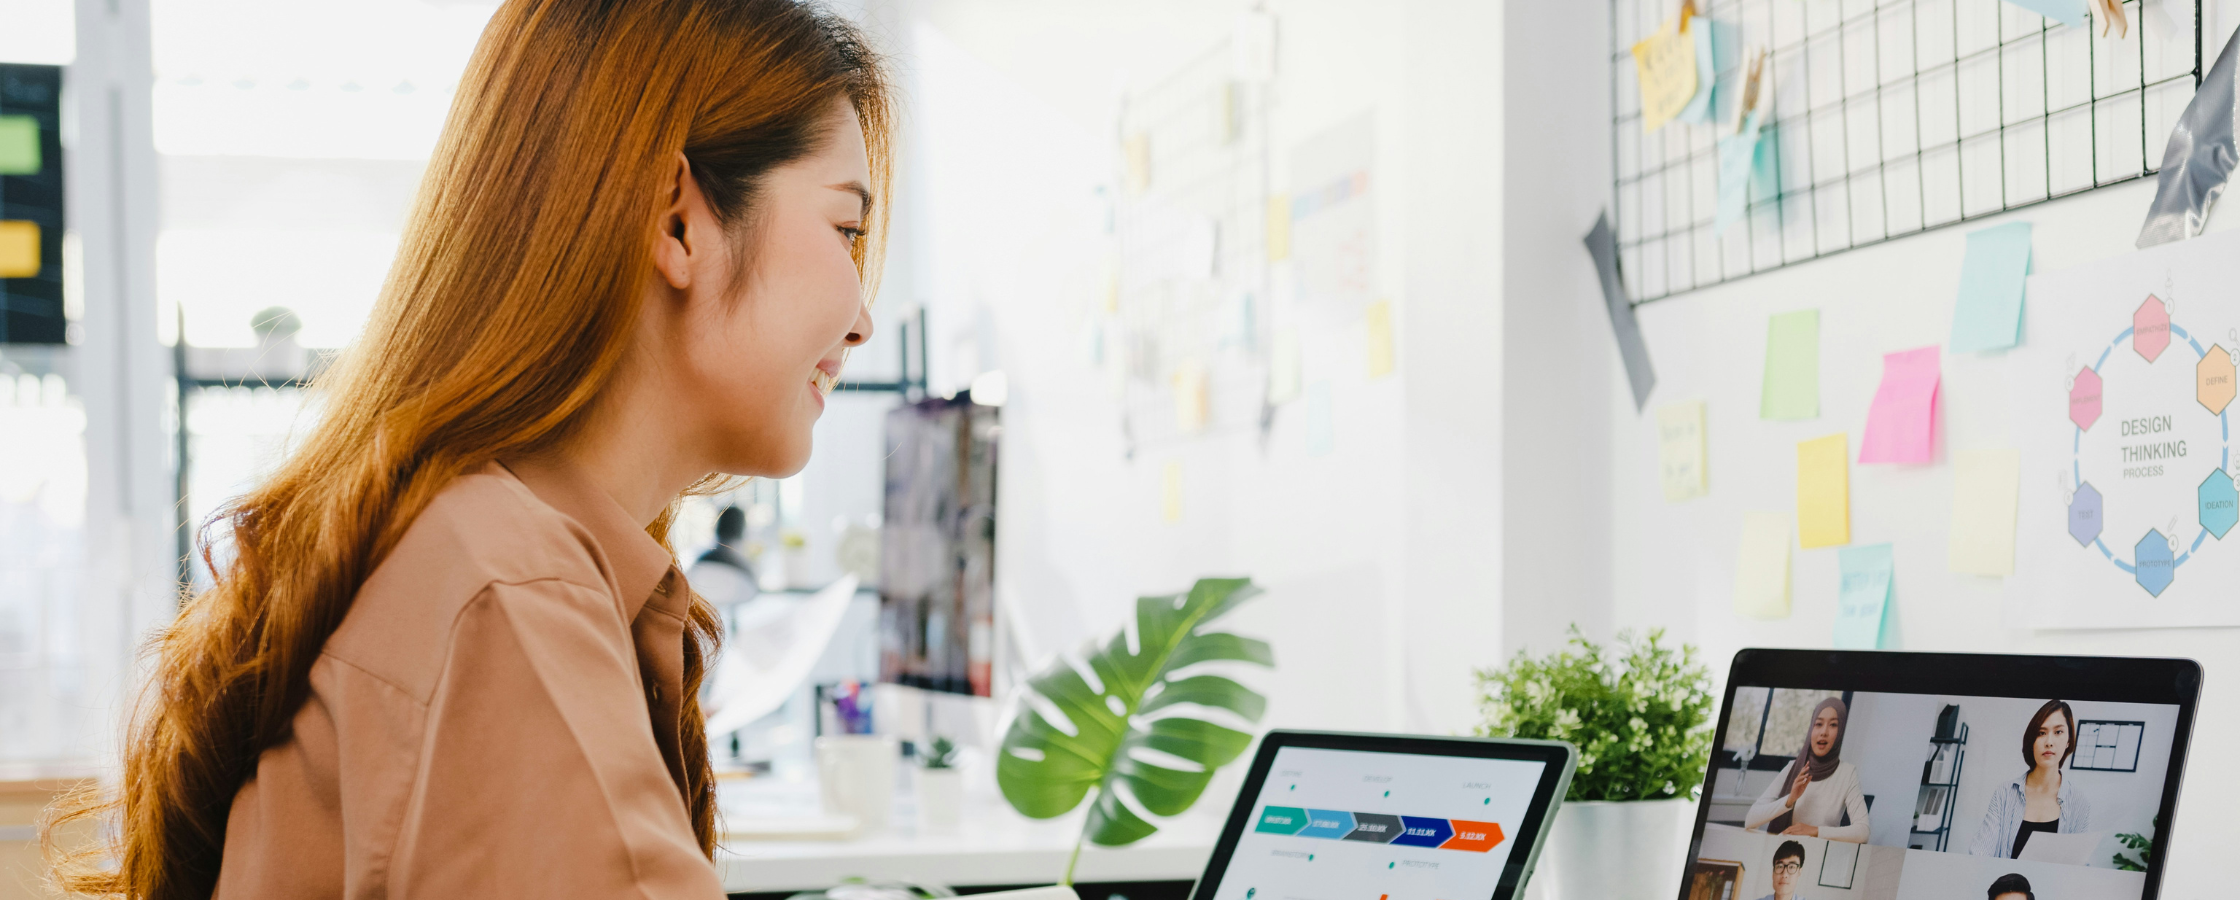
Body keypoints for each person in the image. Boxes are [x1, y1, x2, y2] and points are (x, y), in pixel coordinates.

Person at [42, 1, 894, 897]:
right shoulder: (506, 592)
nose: (864, 319)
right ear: (678, 220)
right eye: (846, 231)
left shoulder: (473, 552)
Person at [1970, 699, 2094, 858]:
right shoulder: (2006, 793)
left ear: (2068, 741)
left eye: (2058, 732)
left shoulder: (2079, 802)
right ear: (2031, 741)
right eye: (2041, 733)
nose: (2049, 742)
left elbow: (2080, 864)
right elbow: (1980, 852)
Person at [1746, 697, 1871, 842]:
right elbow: (1750, 819)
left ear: (1841, 730)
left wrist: (1815, 831)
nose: (1824, 732)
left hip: (1819, 856)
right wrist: (1790, 800)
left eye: (1833, 725)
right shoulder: (1792, 768)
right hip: (1781, 854)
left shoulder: (1847, 773)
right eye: (1818, 724)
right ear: (1811, 728)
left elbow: (1863, 832)